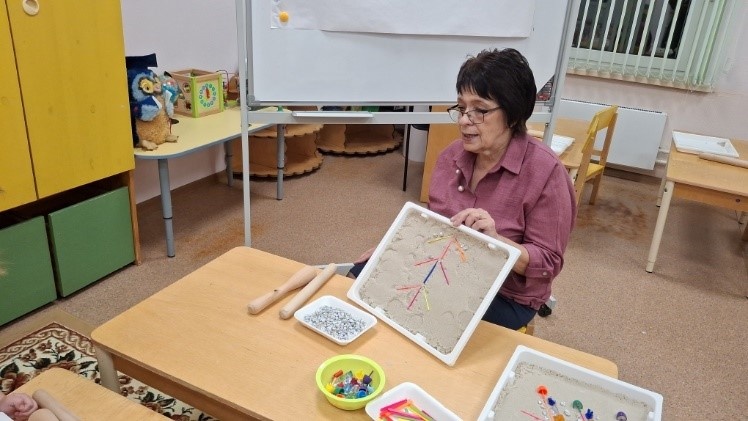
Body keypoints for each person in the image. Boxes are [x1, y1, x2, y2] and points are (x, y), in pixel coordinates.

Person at [350, 48, 576, 330]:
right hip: (445, 268)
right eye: (461, 108)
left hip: (504, 294)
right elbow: (435, 225)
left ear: (513, 114)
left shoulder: (547, 173)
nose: (464, 120)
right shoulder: (451, 156)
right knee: (361, 278)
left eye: (480, 110)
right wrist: (396, 247)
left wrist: (497, 243)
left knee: (421, 317)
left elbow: (548, 264)